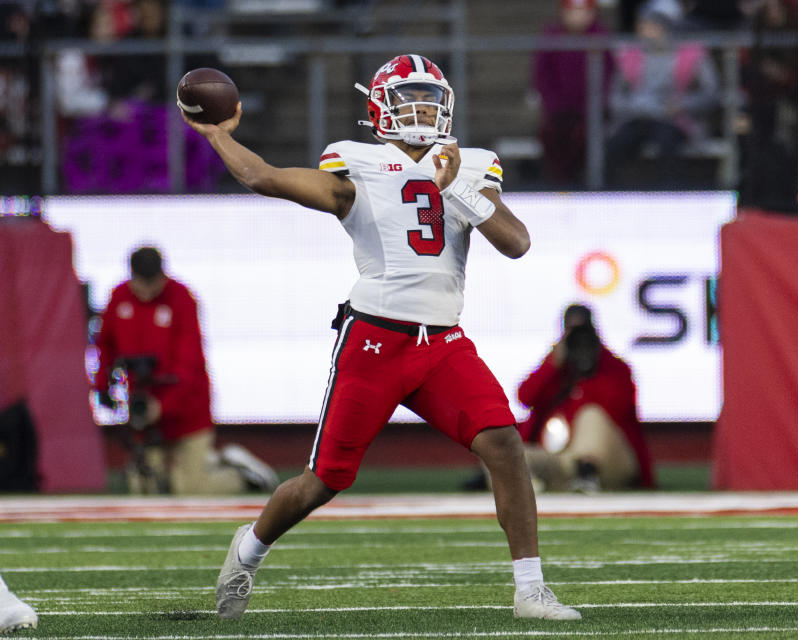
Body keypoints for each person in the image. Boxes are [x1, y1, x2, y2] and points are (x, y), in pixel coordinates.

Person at [182, 53, 581, 622]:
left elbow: (516, 242)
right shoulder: (359, 164)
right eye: (407, 99)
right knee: (323, 481)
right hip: (373, 338)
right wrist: (219, 136)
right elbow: (262, 177)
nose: (420, 110)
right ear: (380, 109)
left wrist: (454, 188)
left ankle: (530, 589)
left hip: (441, 342)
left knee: (506, 445)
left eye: (428, 99)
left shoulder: (469, 166)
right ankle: (246, 552)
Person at [94, 246, 277, 495]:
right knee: (145, 487)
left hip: (187, 412)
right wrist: (103, 387)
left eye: (153, 283)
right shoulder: (119, 297)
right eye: (142, 284)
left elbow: (190, 366)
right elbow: (106, 345)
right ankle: (208, 465)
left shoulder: (181, 298)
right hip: (145, 412)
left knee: (189, 488)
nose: (147, 292)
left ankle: (241, 474)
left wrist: (164, 406)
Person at [517, 304, 654, 492]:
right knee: (510, 454)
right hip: (562, 458)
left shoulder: (615, 369)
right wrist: (553, 364)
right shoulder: (557, 369)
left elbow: (619, 409)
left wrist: (591, 368)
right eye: (573, 335)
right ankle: (528, 484)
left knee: (591, 416)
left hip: (608, 459)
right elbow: (525, 397)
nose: (580, 343)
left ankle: (587, 472)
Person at [605, 3, 721, 188]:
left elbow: (711, 94)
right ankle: (614, 194)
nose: (644, 30)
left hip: (674, 120)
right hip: (638, 117)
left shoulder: (691, 54)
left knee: (667, 143)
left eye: (651, 25)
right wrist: (636, 106)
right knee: (617, 144)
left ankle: (671, 195)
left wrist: (681, 104)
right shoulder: (629, 55)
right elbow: (614, 98)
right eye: (642, 24)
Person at [531, 0, 614, 186]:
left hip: (591, 111)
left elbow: (609, 77)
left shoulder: (600, 36)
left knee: (585, 137)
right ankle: (559, 187)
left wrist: (594, 107)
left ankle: (588, 187)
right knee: (552, 136)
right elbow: (542, 76)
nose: (578, 17)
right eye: (573, 12)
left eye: (583, 11)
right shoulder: (551, 36)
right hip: (558, 111)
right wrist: (555, 106)